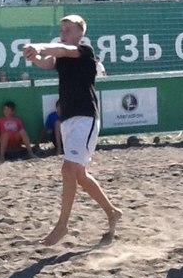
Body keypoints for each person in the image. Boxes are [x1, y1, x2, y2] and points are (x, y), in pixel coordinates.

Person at [23, 14, 122, 246]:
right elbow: (48, 63)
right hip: (68, 119)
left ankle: (62, 225)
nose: (63, 33)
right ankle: (112, 212)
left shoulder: (84, 50)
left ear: (81, 33)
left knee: (68, 170)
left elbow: (62, 50)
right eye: (62, 30)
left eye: (68, 30)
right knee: (79, 175)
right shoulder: (62, 56)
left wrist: (39, 47)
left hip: (85, 117)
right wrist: (34, 57)